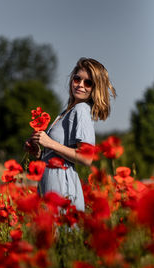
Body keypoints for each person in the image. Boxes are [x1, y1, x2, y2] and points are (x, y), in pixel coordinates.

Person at [25, 57, 116, 211]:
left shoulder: (81, 110)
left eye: (88, 83)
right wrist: (40, 153)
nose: (80, 85)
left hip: (62, 187)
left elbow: (86, 158)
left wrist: (50, 143)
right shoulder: (66, 112)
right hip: (50, 183)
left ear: (95, 88)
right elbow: (60, 153)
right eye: (77, 79)